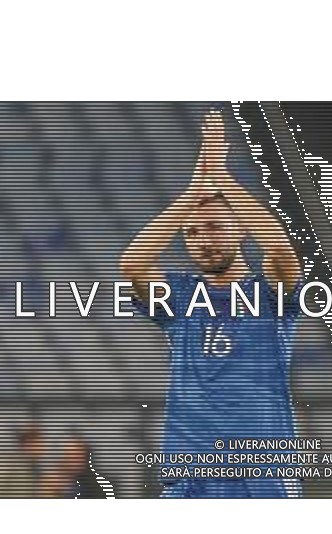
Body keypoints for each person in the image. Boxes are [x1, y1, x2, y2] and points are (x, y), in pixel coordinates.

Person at [120, 110, 303, 498]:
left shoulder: (270, 295)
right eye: (192, 232)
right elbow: (133, 264)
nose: (203, 239)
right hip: (189, 479)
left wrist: (222, 177)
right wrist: (192, 193)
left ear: (241, 229)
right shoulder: (179, 295)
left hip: (262, 478)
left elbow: (282, 252)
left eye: (216, 226)